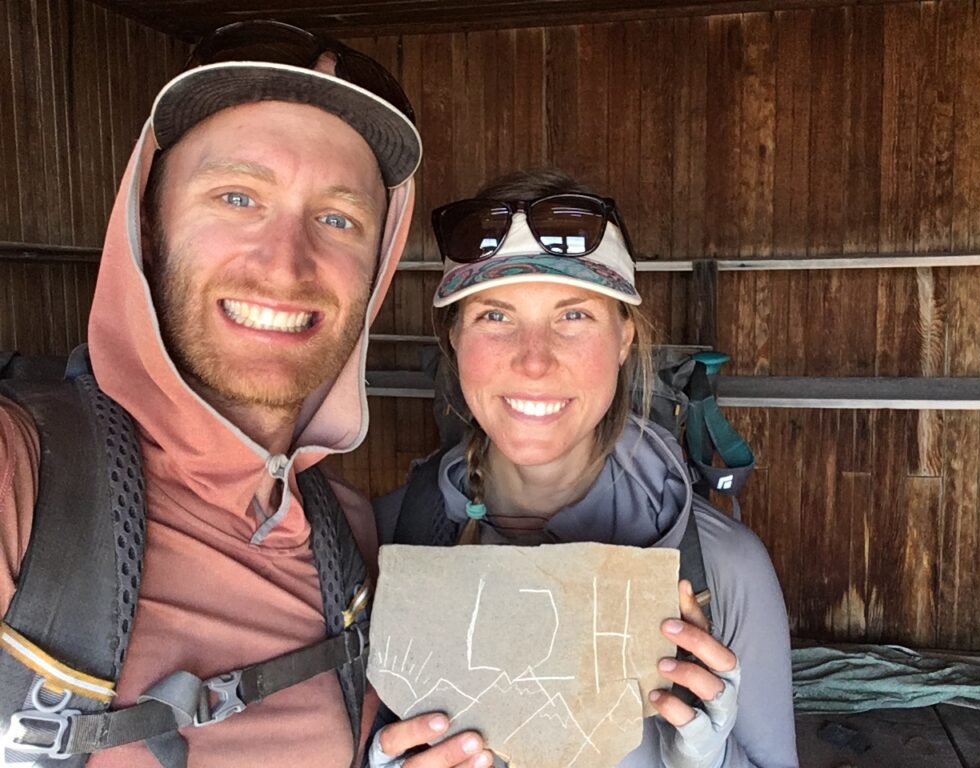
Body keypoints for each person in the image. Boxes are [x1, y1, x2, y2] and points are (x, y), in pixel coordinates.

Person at [0, 20, 493, 768]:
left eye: (337, 219)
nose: (285, 265)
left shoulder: (349, 544)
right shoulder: (20, 485)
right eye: (237, 197)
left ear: (378, 267)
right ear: (146, 221)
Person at [371, 170, 798, 768]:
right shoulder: (388, 538)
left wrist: (710, 761)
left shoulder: (723, 569)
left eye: (573, 316)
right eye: (495, 315)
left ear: (625, 337)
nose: (535, 360)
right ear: (454, 338)